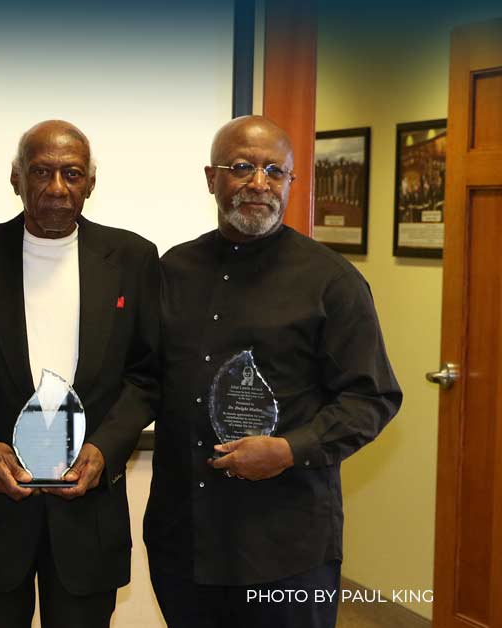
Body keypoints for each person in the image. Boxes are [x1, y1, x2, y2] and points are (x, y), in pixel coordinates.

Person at [145, 115, 402, 627]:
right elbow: (145, 379)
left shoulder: (332, 281)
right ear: (211, 178)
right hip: (185, 538)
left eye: (274, 171)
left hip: (285, 547)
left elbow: (372, 398)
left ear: (290, 182)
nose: (258, 183)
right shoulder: (172, 270)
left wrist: (289, 449)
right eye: (241, 167)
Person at [0, 120, 160, 627]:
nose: (57, 189)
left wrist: (105, 448)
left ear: (91, 183)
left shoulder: (133, 259)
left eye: (72, 174)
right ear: (15, 178)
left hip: (88, 516)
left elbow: (147, 376)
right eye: (41, 172)